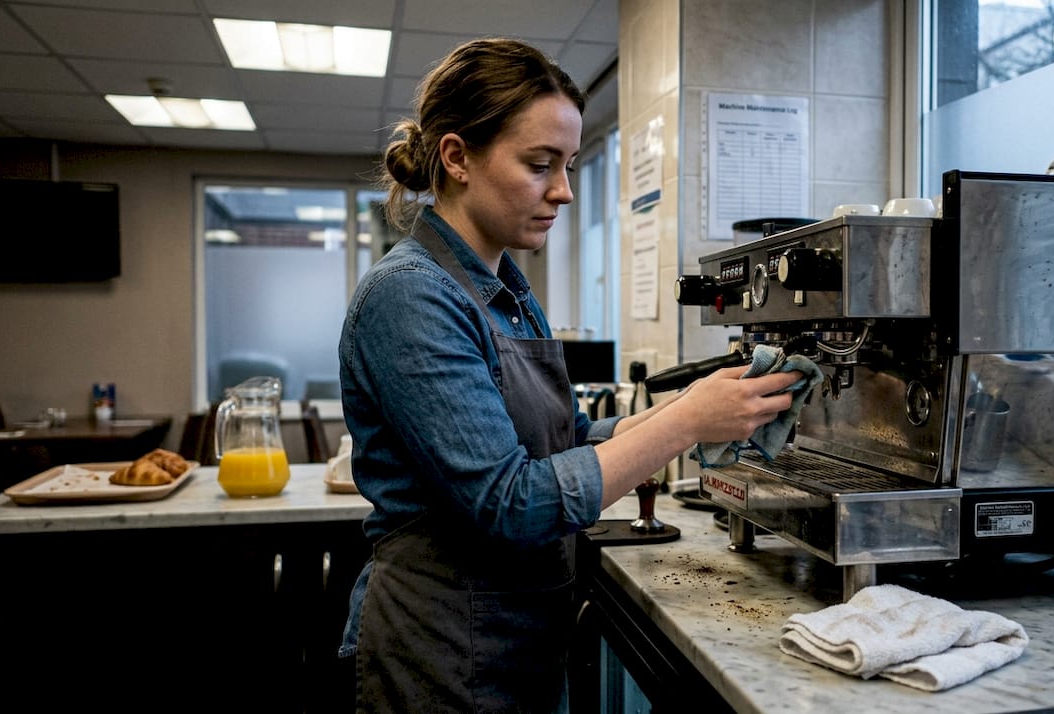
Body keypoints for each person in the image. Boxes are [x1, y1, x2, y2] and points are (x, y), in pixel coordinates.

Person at [338, 37, 803, 713]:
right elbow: (509, 503)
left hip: (518, 635)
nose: (562, 190)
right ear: (457, 157)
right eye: (539, 164)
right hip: (439, 649)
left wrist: (713, 407)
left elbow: (567, 438)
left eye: (570, 165)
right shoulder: (410, 294)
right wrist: (683, 423)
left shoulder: (508, 288)